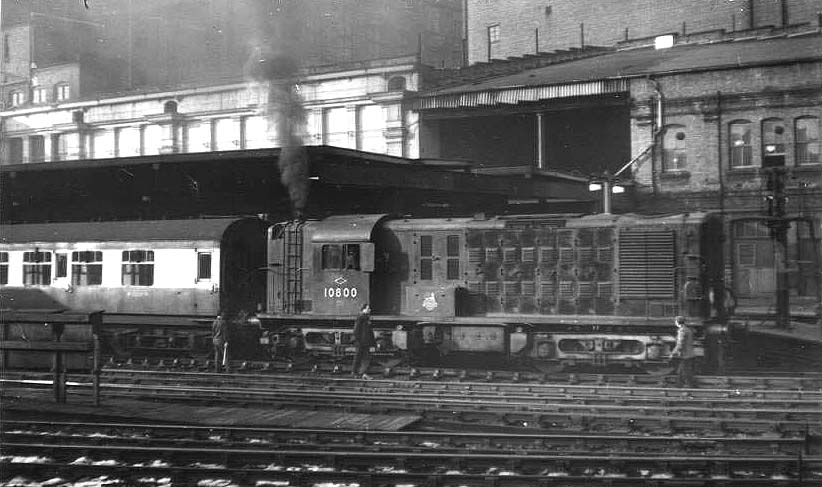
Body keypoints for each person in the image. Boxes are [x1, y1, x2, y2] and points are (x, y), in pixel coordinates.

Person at [670, 315, 695, 387]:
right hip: (689, 352)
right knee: (681, 370)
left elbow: (680, 343)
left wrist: (673, 353)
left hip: (685, 353)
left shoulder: (682, 330)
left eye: (675, 321)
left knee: (685, 370)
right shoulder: (687, 329)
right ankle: (679, 384)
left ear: (677, 322)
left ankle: (691, 385)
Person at [352, 303, 374, 379]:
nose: (369, 310)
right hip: (361, 342)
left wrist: (373, 343)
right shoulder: (360, 318)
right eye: (368, 308)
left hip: (365, 342)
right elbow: (356, 331)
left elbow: (370, 332)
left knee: (366, 358)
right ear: (363, 309)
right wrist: (358, 341)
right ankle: (355, 372)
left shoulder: (366, 318)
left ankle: (363, 373)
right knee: (358, 357)